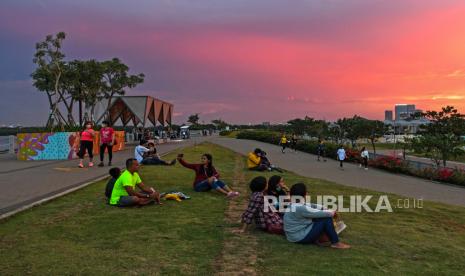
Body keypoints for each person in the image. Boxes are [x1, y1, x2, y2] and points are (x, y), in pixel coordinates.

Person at [283, 183, 350, 249]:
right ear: (304, 195)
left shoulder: (294, 203)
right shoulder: (300, 208)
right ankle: (335, 243)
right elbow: (322, 213)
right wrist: (332, 212)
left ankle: (324, 237)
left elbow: (312, 205)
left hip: (293, 236)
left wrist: (325, 208)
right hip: (299, 237)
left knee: (320, 218)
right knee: (326, 219)